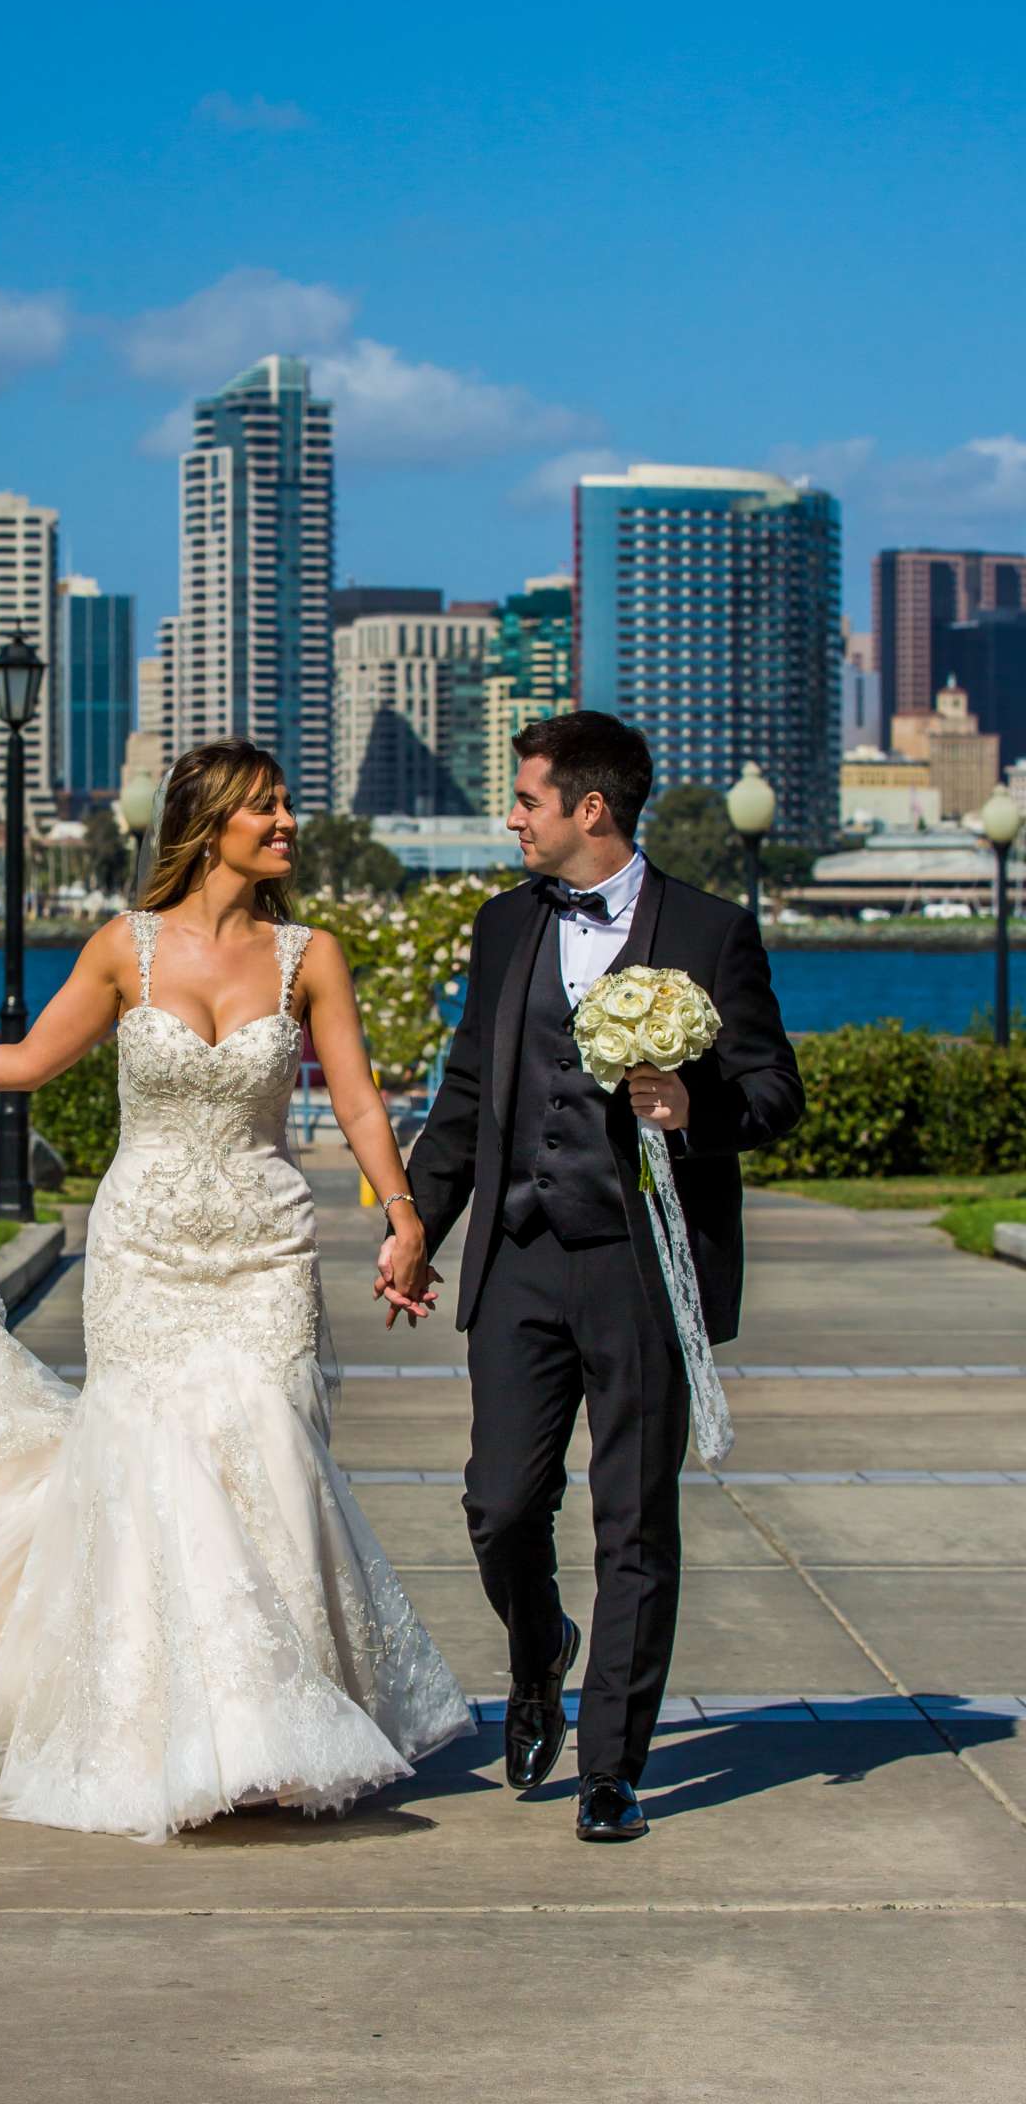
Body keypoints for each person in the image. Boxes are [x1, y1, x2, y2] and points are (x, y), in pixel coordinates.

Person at [0, 737, 469, 1843]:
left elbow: (362, 1103)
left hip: (265, 1249)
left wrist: (401, 1211)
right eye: (265, 810)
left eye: (285, 808)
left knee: (269, 1456)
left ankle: (276, 1728)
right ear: (209, 821)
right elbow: (31, 1063)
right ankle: (171, 1730)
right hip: (144, 1254)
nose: (285, 825)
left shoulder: (307, 954)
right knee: (156, 1474)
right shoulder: (122, 950)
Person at [383, 712, 803, 1843]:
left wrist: (693, 1106)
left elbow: (774, 1092)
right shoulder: (501, 925)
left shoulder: (713, 932)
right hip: (519, 1257)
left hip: (643, 1267)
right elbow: (467, 1092)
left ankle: (614, 1767)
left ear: (589, 810)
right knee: (499, 1504)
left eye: (525, 800)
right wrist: (416, 1223)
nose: (510, 818)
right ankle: (537, 1649)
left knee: (634, 1522)